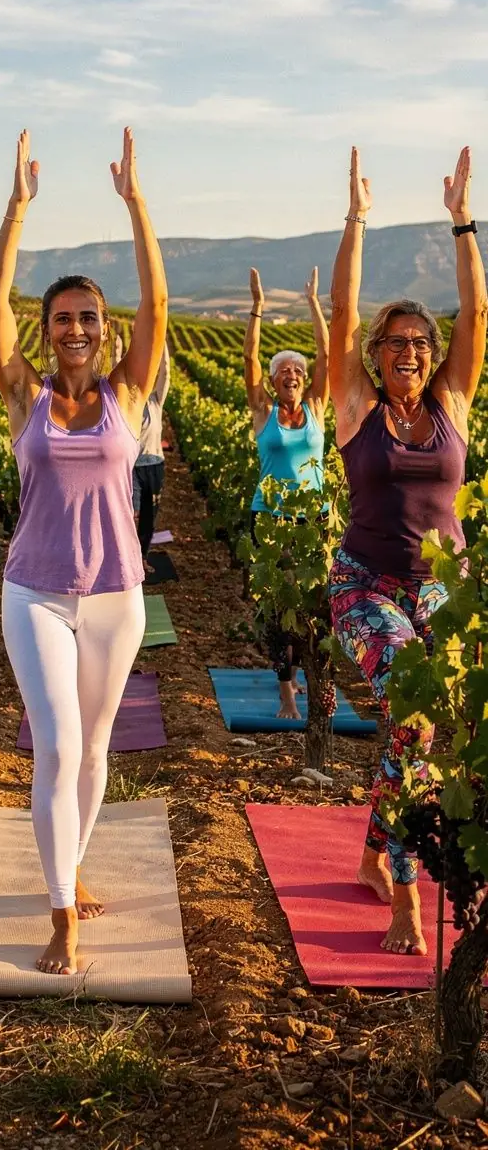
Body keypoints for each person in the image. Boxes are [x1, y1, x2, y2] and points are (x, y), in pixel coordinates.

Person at [0, 127, 167, 976]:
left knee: (95, 751)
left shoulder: (128, 390)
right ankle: (62, 915)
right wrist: (17, 208)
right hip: (36, 592)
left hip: (117, 595)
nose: (76, 328)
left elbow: (158, 304)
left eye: (88, 316)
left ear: (105, 328)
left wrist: (135, 202)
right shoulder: (24, 393)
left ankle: (70, 864)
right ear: (47, 330)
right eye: (62, 318)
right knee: (55, 747)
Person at [328, 145, 486, 956]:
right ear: (375, 352)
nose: (411, 352)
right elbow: (341, 309)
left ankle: (370, 853)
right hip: (366, 587)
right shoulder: (357, 407)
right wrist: (357, 218)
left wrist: (462, 220)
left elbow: (479, 312)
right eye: (396, 341)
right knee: (414, 721)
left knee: (424, 731)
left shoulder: (452, 400)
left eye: (422, 341)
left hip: (442, 593)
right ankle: (406, 894)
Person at [244, 267, 329, 717]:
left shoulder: (316, 406)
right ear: (274, 382)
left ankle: (308, 676)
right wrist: (258, 307)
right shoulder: (264, 412)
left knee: (315, 603)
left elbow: (326, 354)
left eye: (298, 370)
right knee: (278, 604)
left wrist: (314, 302)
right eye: (283, 371)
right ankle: (285, 688)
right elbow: (250, 360)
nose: (292, 374)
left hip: (315, 518)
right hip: (270, 518)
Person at [132, 341, 170, 568]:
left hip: (156, 464)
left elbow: (166, 372)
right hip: (133, 467)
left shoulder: (156, 401)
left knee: (150, 516)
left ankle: (141, 558)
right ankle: (127, 559)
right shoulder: (130, 404)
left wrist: (161, 342)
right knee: (132, 514)